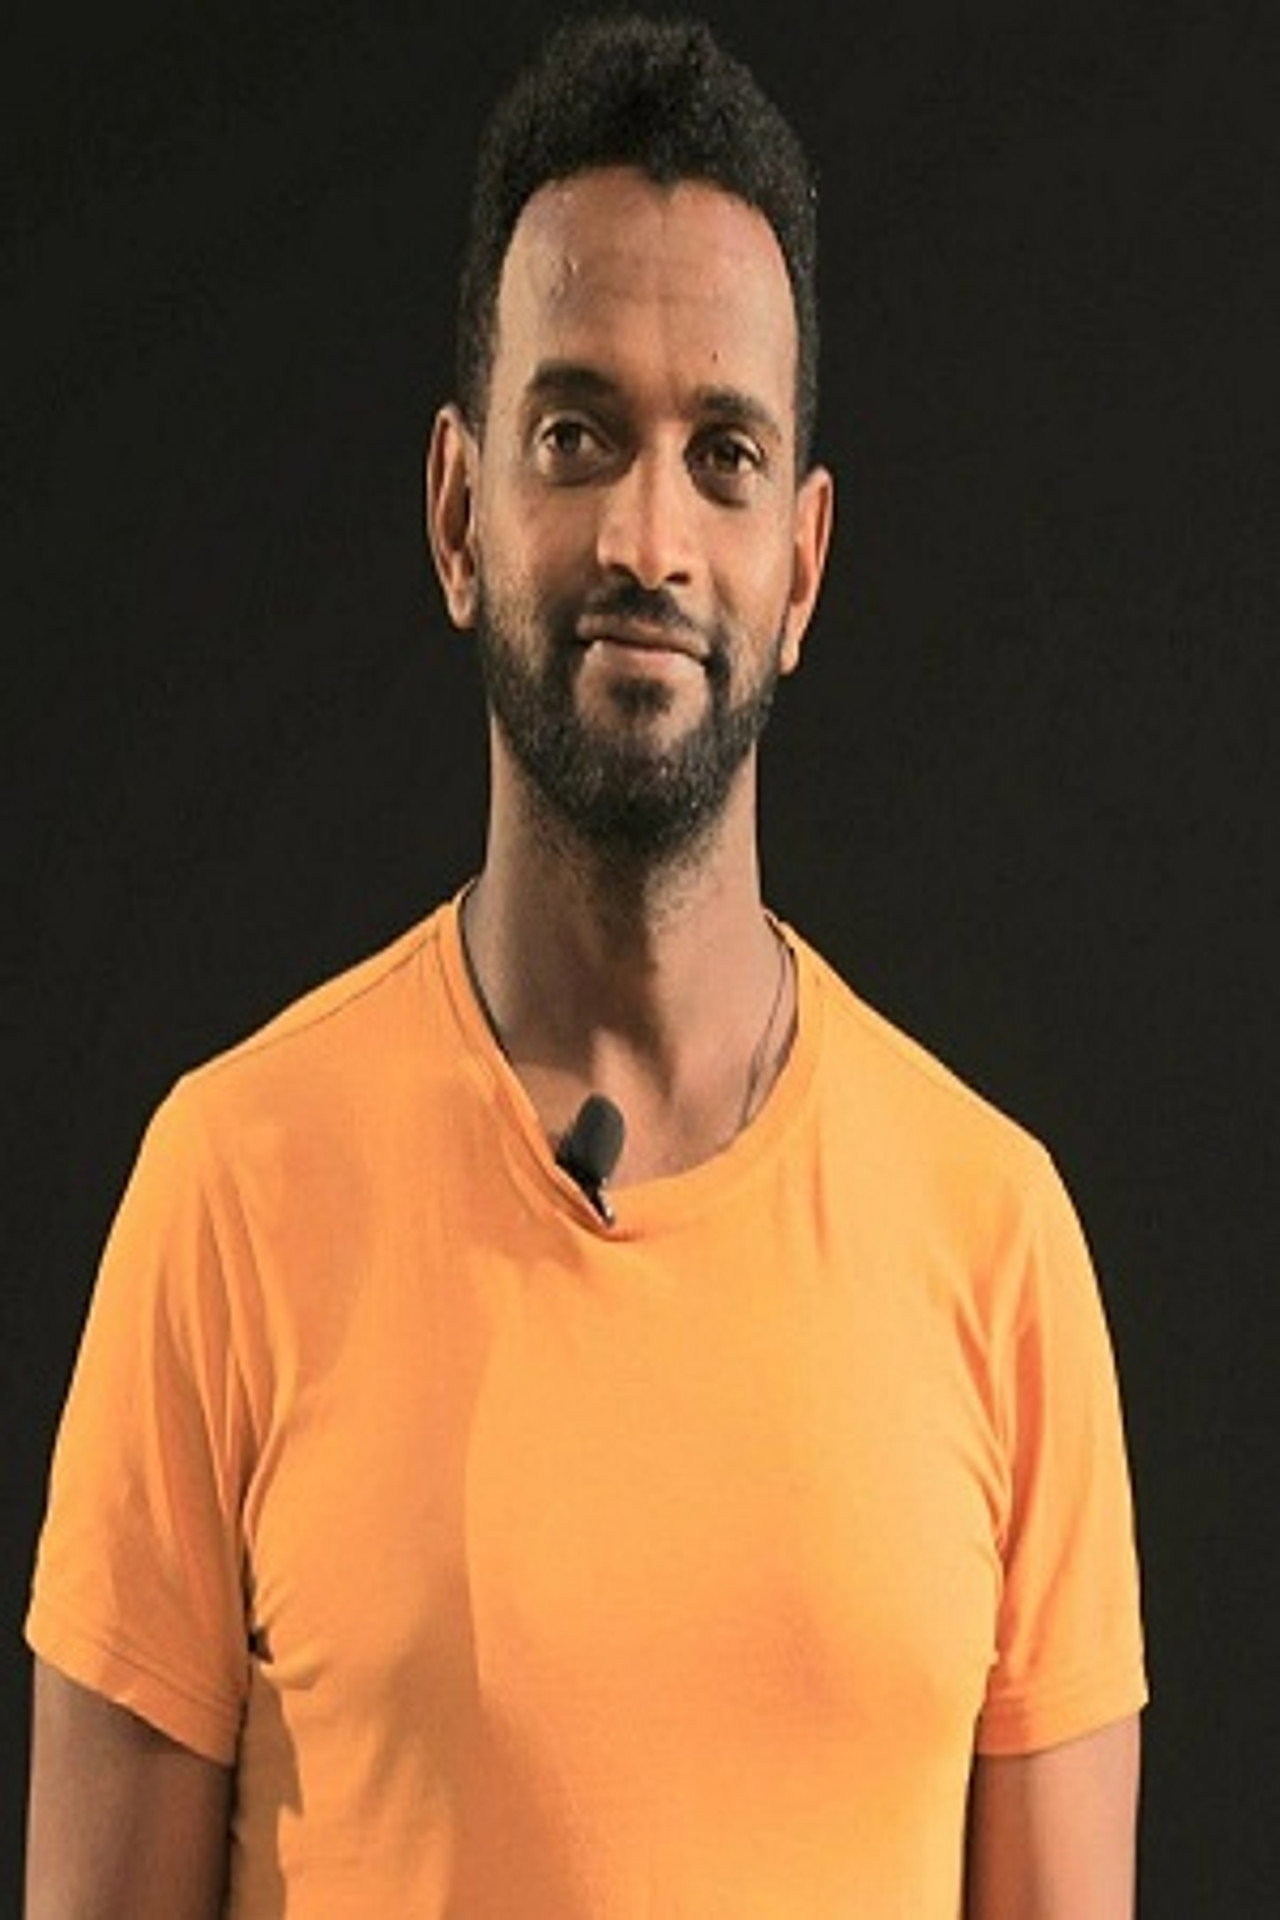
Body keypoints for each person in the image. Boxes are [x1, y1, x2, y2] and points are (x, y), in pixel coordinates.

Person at [24, 14, 1147, 1916]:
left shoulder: (999, 1244)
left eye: (724, 455)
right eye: (577, 436)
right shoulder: (230, 1192)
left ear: (802, 564)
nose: (649, 537)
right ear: (459, 512)